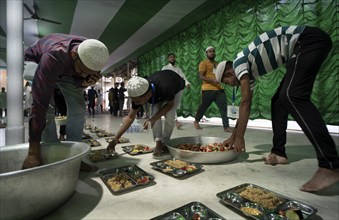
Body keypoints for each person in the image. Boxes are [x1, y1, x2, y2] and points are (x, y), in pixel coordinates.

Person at [215, 25, 339, 192]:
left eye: (226, 82)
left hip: (307, 41)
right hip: (304, 45)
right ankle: (279, 152)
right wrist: (234, 135)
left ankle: (330, 164)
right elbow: (245, 106)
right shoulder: (248, 72)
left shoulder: (238, 63)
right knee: (278, 102)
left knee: (292, 95)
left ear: (228, 72)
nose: (229, 85)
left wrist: (240, 137)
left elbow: (245, 101)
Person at [21, 33, 109, 171]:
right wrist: (33, 149)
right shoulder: (54, 56)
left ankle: (75, 156)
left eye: (88, 73)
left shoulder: (95, 54)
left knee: (79, 108)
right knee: (47, 109)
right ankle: (50, 155)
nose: (84, 74)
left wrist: (84, 82)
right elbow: (39, 105)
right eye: (82, 71)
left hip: (68, 69)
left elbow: (79, 79)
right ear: (74, 54)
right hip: (38, 62)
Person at [106, 70, 185, 156]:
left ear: (148, 95)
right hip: (159, 89)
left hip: (175, 86)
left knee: (170, 115)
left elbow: (170, 105)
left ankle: (164, 143)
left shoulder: (165, 87)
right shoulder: (138, 94)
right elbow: (130, 117)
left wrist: (153, 119)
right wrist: (116, 139)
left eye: (138, 101)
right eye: (134, 101)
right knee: (154, 112)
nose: (136, 104)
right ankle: (158, 142)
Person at [194, 46, 232, 132]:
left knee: (224, 108)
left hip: (219, 89)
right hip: (208, 89)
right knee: (203, 106)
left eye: (213, 51)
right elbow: (201, 76)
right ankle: (196, 120)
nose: (212, 53)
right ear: (206, 53)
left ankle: (226, 127)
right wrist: (212, 80)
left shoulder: (217, 64)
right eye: (210, 51)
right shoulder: (203, 63)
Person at [162, 53, 190, 129]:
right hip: (167, 89)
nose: (172, 58)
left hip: (176, 88)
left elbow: (183, 76)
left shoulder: (178, 69)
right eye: (171, 57)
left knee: (174, 105)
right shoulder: (165, 68)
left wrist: (187, 83)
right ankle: (176, 121)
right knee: (171, 105)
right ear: (168, 59)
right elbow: (162, 78)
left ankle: (173, 119)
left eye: (174, 57)